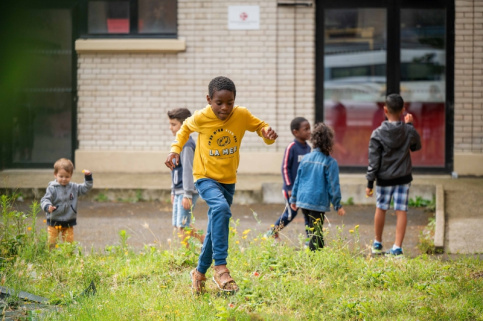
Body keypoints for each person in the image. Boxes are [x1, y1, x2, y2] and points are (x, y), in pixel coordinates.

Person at [165, 76, 278, 294]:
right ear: (209, 100)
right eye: (219, 103)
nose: (225, 108)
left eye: (230, 103)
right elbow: (184, 130)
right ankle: (220, 268)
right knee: (221, 209)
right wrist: (174, 150)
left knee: (215, 224)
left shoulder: (242, 115)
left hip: (228, 179)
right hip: (204, 176)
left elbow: (261, 127)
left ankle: (198, 273)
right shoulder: (201, 117)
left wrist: (267, 135)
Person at [366, 93, 422, 257]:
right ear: (403, 110)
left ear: (384, 110)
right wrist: (410, 126)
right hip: (403, 179)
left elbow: (373, 161)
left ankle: (377, 243)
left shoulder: (377, 134)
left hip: (384, 179)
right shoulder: (408, 130)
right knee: (401, 210)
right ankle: (397, 248)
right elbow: (416, 146)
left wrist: (370, 183)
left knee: (381, 208)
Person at [289, 123, 346, 251]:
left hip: (303, 200)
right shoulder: (330, 162)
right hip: (317, 201)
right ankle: (313, 257)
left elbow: (298, 180)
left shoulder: (306, 158)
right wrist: (337, 204)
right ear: (329, 142)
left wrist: (294, 198)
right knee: (316, 230)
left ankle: (318, 254)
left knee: (313, 229)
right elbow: (333, 185)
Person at [265, 117, 311, 240]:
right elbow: (285, 168)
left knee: (308, 215)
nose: (309, 131)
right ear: (296, 132)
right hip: (291, 190)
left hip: (304, 190)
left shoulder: (308, 149)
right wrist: (289, 186)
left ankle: (310, 240)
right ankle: (272, 231)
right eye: (305, 129)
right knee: (290, 214)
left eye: (309, 129)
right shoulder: (292, 147)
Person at [167, 108, 203, 247]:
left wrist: (187, 194)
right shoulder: (178, 144)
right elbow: (174, 170)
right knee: (178, 225)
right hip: (179, 191)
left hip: (186, 191)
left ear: (184, 125)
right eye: (170, 124)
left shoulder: (187, 145)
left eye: (174, 124)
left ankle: (187, 254)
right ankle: (206, 243)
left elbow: (188, 170)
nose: (171, 128)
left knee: (183, 226)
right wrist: (173, 191)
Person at [40, 158, 93, 249]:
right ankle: (51, 259)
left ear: (71, 175)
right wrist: (48, 206)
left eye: (67, 177)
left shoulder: (74, 188)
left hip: (68, 221)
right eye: (61, 176)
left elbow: (85, 188)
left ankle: (69, 259)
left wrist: (88, 177)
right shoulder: (52, 188)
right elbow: (45, 199)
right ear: (55, 175)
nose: (64, 179)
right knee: (52, 243)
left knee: (69, 244)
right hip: (54, 221)